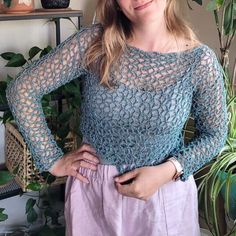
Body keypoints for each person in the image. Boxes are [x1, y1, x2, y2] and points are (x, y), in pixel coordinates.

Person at [6, 0, 228, 235]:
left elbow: (214, 134)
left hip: (164, 196)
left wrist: (168, 170)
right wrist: (52, 159)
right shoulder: (94, 43)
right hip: (94, 197)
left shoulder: (199, 61)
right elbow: (22, 89)